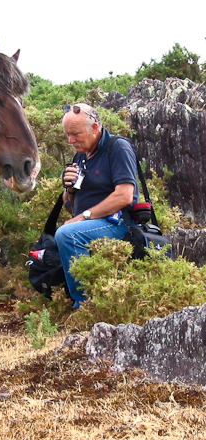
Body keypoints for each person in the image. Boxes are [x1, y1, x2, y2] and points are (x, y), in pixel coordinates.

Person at [55, 103, 139, 309]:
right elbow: (70, 208)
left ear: (94, 128)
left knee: (68, 234)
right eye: (67, 135)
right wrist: (70, 189)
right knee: (65, 232)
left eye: (75, 134)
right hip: (93, 223)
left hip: (118, 223)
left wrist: (84, 216)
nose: (70, 140)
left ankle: (84, 305)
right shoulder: (80, 156)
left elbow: (125, 196)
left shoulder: (118, 147)